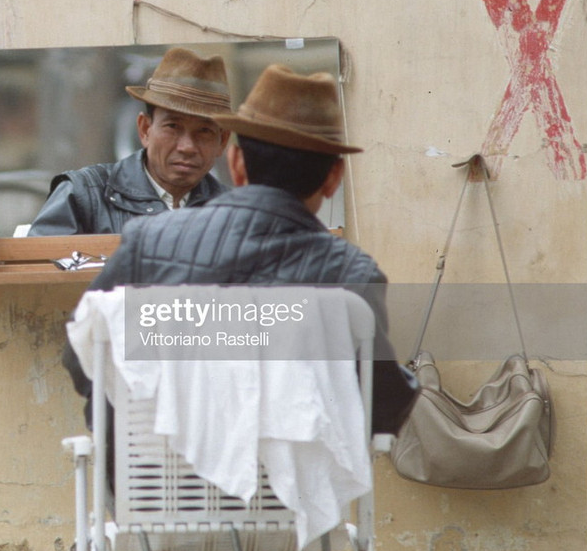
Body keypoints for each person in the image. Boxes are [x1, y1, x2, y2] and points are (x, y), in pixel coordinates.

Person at [65, 64, 419, 458]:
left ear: (234, 161)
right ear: (334, 177)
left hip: (151, 495)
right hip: (287, 505)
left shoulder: (149, 241)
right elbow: (379, 408)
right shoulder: (351, 274)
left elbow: (82, 357)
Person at [28, 47, 232, 236]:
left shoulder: (233, 212)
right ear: (145, 129)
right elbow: (38, 270)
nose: (187, 147)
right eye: (173, 127)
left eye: (204, 131)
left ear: (222, 141)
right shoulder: (84, 196)